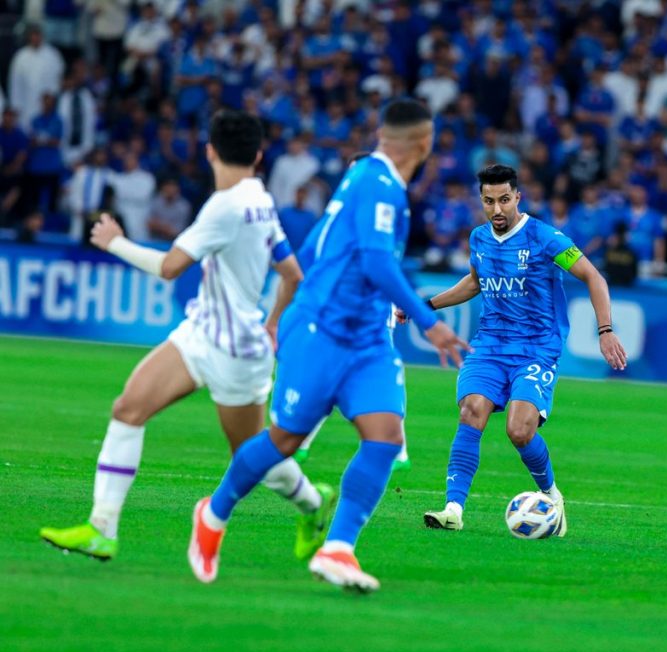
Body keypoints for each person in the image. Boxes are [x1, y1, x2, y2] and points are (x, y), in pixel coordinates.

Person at [187, 99, 466, 592]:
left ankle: (338, 547)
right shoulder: (379, 185)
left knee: (385, 437)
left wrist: (286, 310)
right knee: (284, 440)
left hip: (366, 339)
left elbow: (316, 244)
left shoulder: (362, 177)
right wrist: (429, 323)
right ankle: (213, 514)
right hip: (323, 331)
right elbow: (376, 263)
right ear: (425, 143)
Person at [40, 110, 332, 563]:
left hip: (236, 351)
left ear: (210, 151)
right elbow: (292, 274)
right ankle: (101, 528)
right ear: (258, 156)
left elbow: (168, 267)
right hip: (201, 333)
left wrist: (114, 241)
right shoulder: (259, 197)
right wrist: (273, 321)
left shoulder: (224, 206)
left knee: (251, 455)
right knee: (129, 408)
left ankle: (313, 504)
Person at [417, 164, 628, 533]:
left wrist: (606, 330)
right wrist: (425, 306)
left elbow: (593, 276)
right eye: (488, 201)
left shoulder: (545, 238)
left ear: (517, 197)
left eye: (504, 200)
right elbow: (474, 282)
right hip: (489, 345)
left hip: (536, 348)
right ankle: (453, 509)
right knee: (471, 410)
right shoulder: (479, 238)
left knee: (519, 430)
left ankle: (551, 495)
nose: (497, 209)